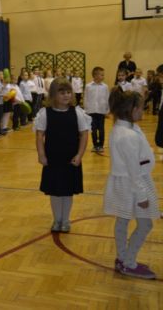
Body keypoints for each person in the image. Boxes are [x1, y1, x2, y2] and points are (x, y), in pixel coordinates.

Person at [103, 88, 159, 279]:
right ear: (132, 109)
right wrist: (142, 196)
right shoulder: (127, 135)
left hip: (128, 183)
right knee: (145, 225)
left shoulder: (126, 128)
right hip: (133, 185)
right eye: (141, 108)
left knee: (123, 220)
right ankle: (128, 263)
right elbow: (134, 170)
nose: (143, 111)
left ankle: (122, 258)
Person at [35, 78, 90, 233]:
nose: (66, 95)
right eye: (62, 93)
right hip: (53, 158)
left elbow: (84, 134)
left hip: (71, 158)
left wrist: (79, 155)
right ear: (53, 95)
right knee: (55, 191)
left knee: (67, 191)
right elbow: (40, 135)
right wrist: (41, 154)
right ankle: (57, 219)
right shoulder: (45, 113)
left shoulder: (77, 112)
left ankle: (65, 220)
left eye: (68, 92)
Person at [84, 67, 110, 153]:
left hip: (101, 111)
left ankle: (101, 145)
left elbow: (107, 98)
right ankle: (95, 145)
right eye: (101, 75)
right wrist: (86, 111)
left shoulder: (105, 87)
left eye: (103, 75)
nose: (103, 76)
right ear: (95, 75)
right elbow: (86, 98)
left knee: (101, 129)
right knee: (93, 130)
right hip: (91, 111)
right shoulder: (88, 86)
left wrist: (107, 110)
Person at [156, 64, 163, 148]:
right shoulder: (159, 86)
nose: (159, 78)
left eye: (160, 76)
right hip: (161, 112)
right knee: (159, 140)